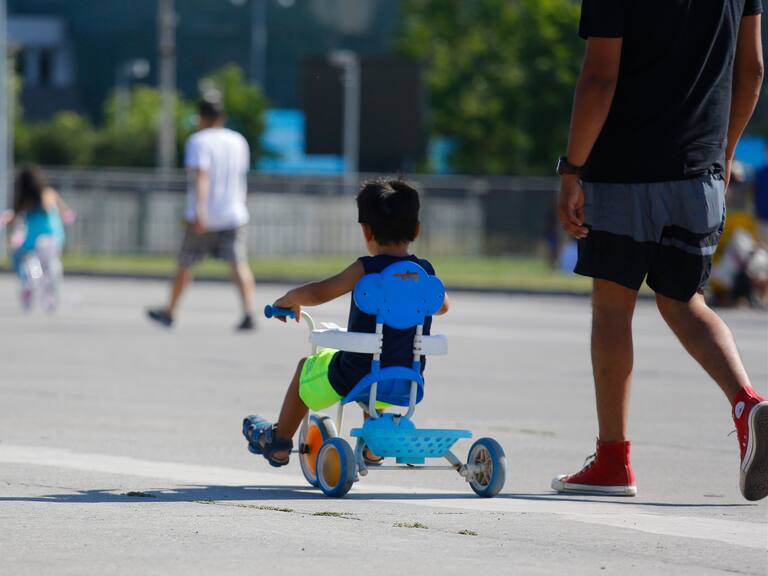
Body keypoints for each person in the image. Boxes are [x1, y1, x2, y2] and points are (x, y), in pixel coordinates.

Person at [554, 0, 767, 500]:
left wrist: (571, 169)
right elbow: (753, 69)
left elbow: (600, 79)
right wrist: (724, 151)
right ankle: (747, 403)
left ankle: (612, 462)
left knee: (612, 307)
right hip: (700, 172)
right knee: (683, 299)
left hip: (624, 171)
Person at [241, 179, 449, 466]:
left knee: (308, 367)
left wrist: (290, 298)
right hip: (405, 375)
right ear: (416, 230)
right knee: (379, 364)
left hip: (352, 374)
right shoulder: (424, 273)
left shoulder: (366, 269)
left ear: (366, 231)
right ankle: (373, 446)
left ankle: (279, 441)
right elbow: (442, 305)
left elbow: (319, 292)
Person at [147, 97, 256, 331]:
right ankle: (248, 311)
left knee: (186, 263)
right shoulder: (238, 140)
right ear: (223, 118)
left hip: (206, 215)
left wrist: (199, 211)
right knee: (238, 263)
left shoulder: (198, 142)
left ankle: (170, 311)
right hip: (234, 213)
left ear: (200, 118)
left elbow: (201, 177)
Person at [3, 166, 73, 305]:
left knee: (27, 259)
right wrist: (66, 215)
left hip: (34, 237)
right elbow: (64, 210)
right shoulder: (48, 193)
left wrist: (5, 220)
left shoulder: (25, 199)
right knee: (49, 262)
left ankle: (32, 280)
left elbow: (13, 216)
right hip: (54, 235)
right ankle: (49, 279)